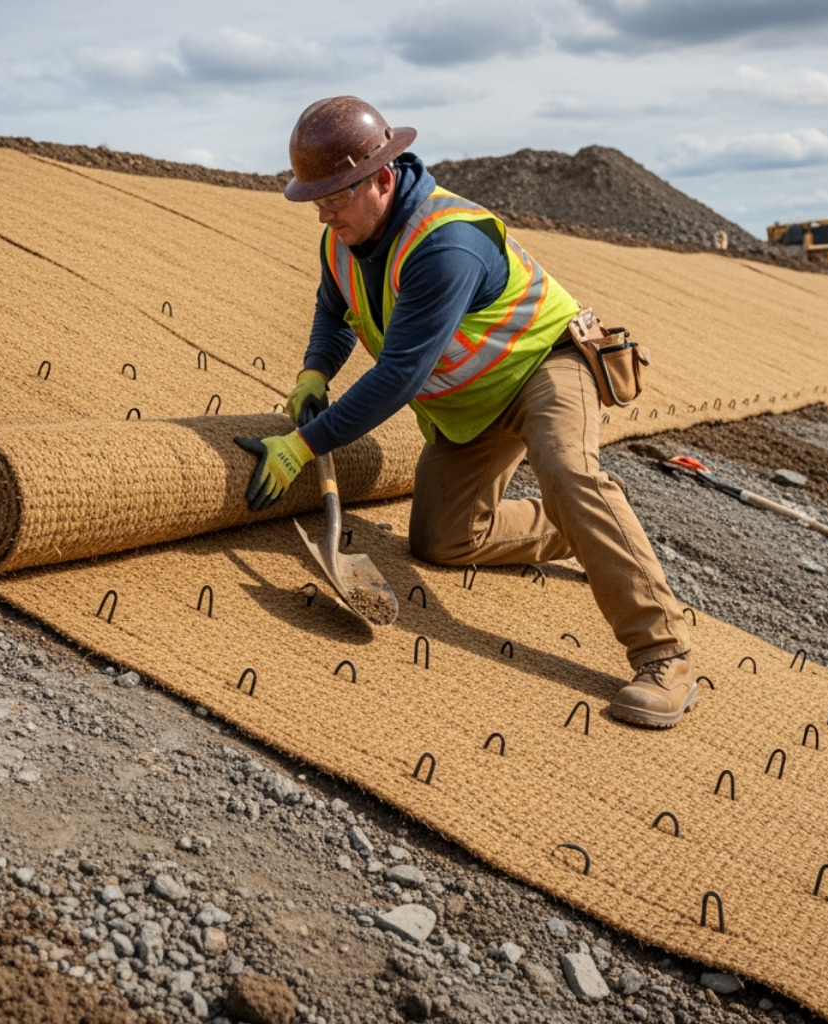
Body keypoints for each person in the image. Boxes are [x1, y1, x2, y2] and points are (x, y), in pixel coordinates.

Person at [233, 96, 696, 728]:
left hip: (543, 364)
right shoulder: (341, 238)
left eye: (335, 196)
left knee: (566, 469)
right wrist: (316, 368)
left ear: (383, 179)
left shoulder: (446, 244)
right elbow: (334, 308)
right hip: (474, 405)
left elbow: (399, 376)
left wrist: (302, 445)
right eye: (316, 198)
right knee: (442, 540)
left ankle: (665, 654)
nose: (323, 211)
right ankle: (577, 531)